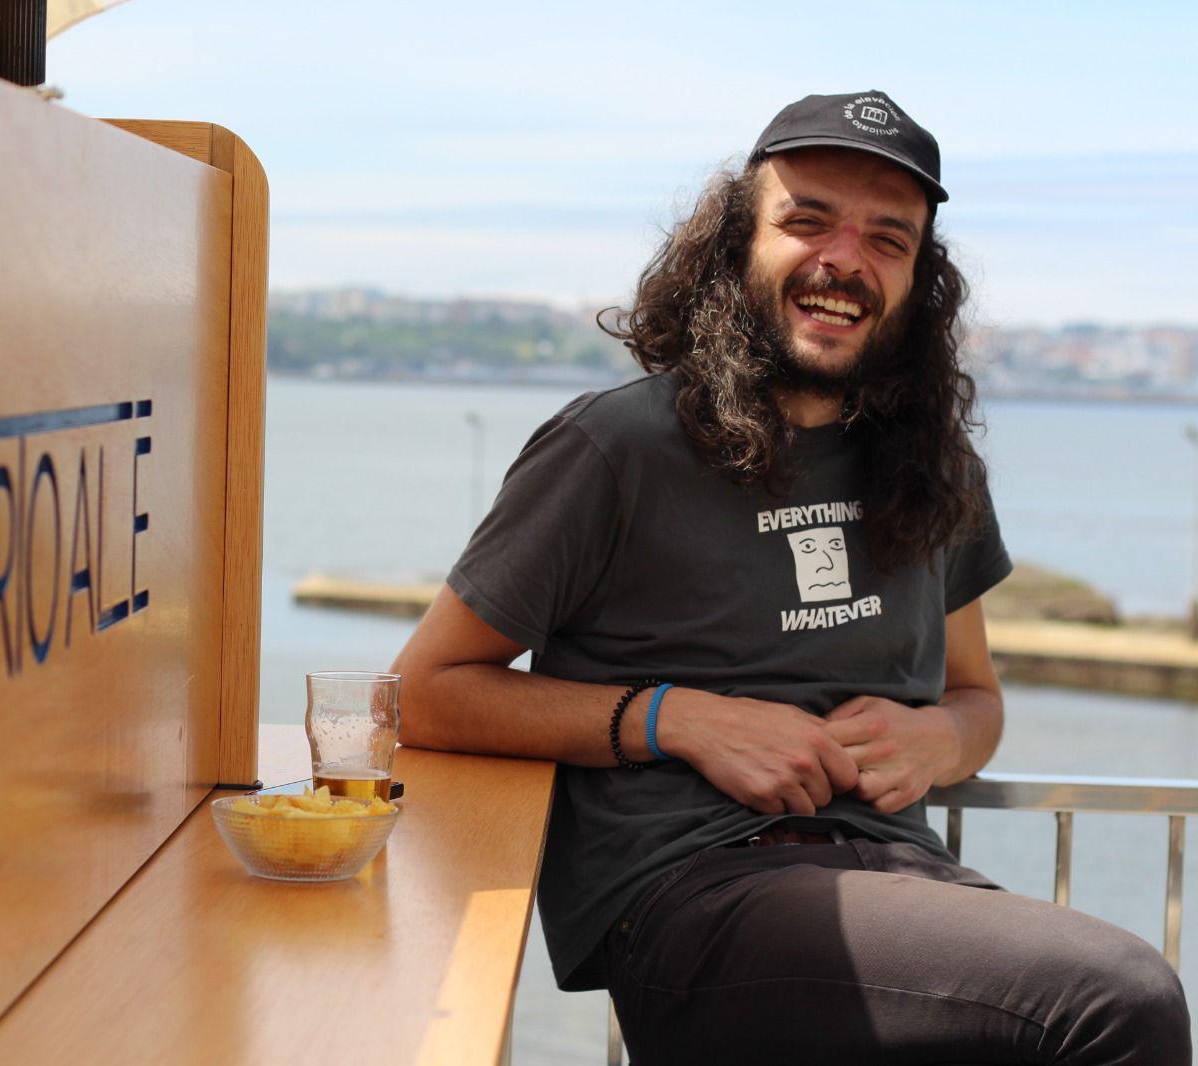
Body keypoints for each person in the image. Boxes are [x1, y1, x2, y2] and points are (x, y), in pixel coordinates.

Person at [391, 91, 1191, 1064]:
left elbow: (976, 698)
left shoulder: (933, 466)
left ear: (916, 279)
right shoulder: (614, 446)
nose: (844, 259)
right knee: (1117, 998)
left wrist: (937, 735)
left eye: (887, 240)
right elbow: (421, 695)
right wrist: (668, 716)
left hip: (898, 877)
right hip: (694, 891)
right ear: (736, 245)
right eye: (806, 220)